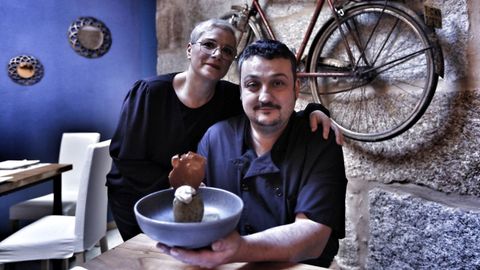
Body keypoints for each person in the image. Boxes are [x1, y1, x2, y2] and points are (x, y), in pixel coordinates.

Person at [107, 19, 343, 241]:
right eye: (209, 44)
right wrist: (182, 186)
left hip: (188, 198)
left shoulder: (231, 96)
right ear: (189, 50)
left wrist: (316, 110)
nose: (218, 54)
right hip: (138, 196)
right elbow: (127, 159)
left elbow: (274, 109)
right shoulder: (150, 93)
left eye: (227, 50)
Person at [157, 39, 348, 268]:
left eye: (278, 83)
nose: (265, 97)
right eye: (253, 84)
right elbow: (201, 205)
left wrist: (239, 249)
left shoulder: (320, 141)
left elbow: (312, 236)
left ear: (296, 89)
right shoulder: (216, 137)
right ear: (240, 91)